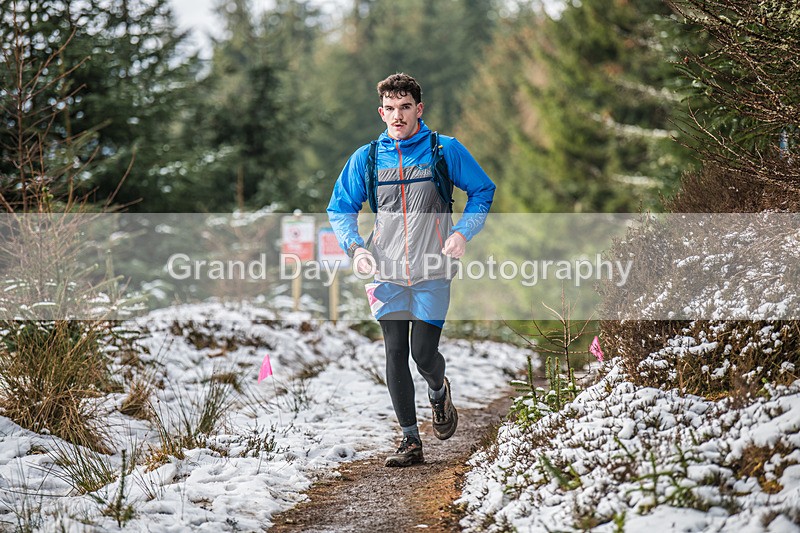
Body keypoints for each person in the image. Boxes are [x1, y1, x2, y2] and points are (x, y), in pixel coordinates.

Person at [327, 73, 495, 467]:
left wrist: (462, 233)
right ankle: (409, 441)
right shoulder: (367, 158)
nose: (397, 116)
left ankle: (439, 392)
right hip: (384, 271)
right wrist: (354, 248)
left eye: (405, 108)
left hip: (433, 268)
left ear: (419, 109)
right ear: (381, 112)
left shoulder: (443, 150)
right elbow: (340, 208)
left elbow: (483, 190)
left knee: (423, 354)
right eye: (390, 109)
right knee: (395, 350)